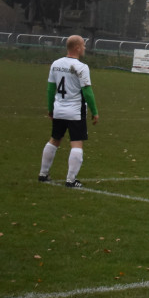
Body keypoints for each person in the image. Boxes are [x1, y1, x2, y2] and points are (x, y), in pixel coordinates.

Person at [38, 35, 99, 188]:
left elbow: (50, 89)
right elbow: (87, 91)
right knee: (77, 144)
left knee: (54, 140)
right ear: (77, 47)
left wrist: (51, 109)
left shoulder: (55, 64)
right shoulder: (82, 67)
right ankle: (71, 179)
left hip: (59, 109)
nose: (84, 48)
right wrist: (94, 111)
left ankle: (43, 173)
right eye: (83, 45)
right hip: (75, 111)